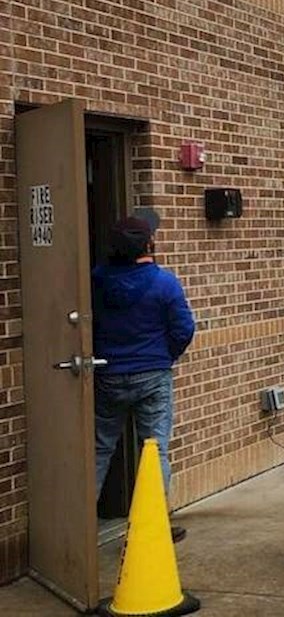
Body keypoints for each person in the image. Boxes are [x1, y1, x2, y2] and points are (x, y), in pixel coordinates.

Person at [92, 208, 195, 542]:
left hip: (107, 373)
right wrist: (165, 356)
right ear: (148, 245)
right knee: (155, 450)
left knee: (99, 448)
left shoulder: (96, 279)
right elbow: (183, 329)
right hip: (152, 374)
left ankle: (79, 524)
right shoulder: (163, 282)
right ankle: (154, 526)